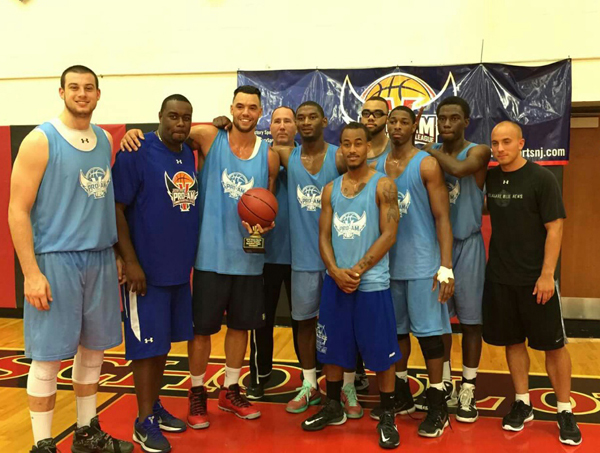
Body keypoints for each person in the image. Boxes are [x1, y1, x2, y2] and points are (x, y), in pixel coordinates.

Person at [120, 85, 280, 427]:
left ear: (260, 112)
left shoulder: (268, 155)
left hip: (248, 258)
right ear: (232, 109)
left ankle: (230, 389)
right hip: (208, 256)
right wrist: (135, 134)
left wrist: (265, 223)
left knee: (240, 328)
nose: (246, 112)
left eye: (253, 107)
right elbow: (168, 134)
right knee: (201, 331)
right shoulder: (209, 136)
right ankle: (196, 393)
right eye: (240, 106)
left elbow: (268, 203)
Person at [8, 65, 133, 453]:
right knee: (47, 358)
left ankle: (85, 432)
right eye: (74, 87)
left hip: (97, 259)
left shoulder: (102, 140)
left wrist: (114, 253)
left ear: (99, 94)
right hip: (56, 261)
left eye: (89, 88)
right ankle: (42, 443)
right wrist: (31, 272)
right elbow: (17, 210)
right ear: (60, 92)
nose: (82, 94)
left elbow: (100, 205)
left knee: (94, 351)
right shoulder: (39, 140)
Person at [301, 122, 401, 449]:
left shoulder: (383, 185)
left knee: (382, 356)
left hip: (371, 284)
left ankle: (387, 413)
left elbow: (389, 234)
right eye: (347, 144)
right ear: (341, 148)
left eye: (359, 143)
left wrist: (356, 271)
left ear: (368, 147)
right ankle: (333, 406)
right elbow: (323, 236)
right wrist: (334, 270)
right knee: (332, 349)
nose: (353, 149)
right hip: (336, 283)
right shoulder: (331, 189)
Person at [484, 121, 581, 446]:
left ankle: (565, 410)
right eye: (495, 143)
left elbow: (555, 227)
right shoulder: (492, 176)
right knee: (513, 342)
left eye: (506, 142)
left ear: (522, 143)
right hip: (500, 277)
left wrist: (546, 275)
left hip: (535, 280)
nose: (500, 149)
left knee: (553, 346)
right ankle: (523, 402)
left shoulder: (541, 178)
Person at [112, 94, 197, 453]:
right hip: (144, 273)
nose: (179, 123)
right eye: (173, 116)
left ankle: (155, 407)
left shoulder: (187, 153)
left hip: (177, 271)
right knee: (144, 349)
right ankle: (142, 420)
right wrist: (130, 262)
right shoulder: (136, 151)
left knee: (161, 346)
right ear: (159, 117)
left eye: (186, 118)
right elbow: (115, 209)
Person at [273, 101, 365, 418]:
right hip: (302, 258)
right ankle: (310, 383)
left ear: (325, 121)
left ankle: (349, 385)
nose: (306, 121)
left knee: (345, 324)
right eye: (301, 117)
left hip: (338, 259)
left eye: (313, 116)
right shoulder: (287, 155)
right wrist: (223, 125)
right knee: (304, 323)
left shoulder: (339, 156)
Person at [371, 106, 454, 439]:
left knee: (430, 337)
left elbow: (442, 218)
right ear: (386, 125)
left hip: (423, 265)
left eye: (404, 121)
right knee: (397, 335)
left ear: (415, 125)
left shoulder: (427, 164)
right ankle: (401, 394)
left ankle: (437, 404)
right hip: (389, 266)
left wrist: (446, 267)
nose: (397, 127)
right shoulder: (376, 166)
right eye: (393, 121)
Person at [423, 96, 491, 422]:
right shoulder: (432, 153)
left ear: (466, 121)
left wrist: (428, 152)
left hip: (469, 245)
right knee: (438, 320)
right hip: (437, 247)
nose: (447, 124)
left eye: (454, 118)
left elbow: (460, 169)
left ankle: (469, 386)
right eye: (442, 118)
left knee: (470, 321)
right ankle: (446, 382)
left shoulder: (478, 151)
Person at [246, 106, 301, 399]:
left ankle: (311, 377)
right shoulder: (258, 159)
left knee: (304, 322)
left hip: (302, 257)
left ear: (296, 127)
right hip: (264, 255)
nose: (282, 126)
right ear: (270, 125)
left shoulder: (308, 160)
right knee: (261, 321)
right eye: (277, 121)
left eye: (287, 121)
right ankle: (259, 374)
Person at [361, 96, 390, 167]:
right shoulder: (351, 150)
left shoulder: (396, 150)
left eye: (377, 113)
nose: (371, 118)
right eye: (366, 113)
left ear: (387, 118)